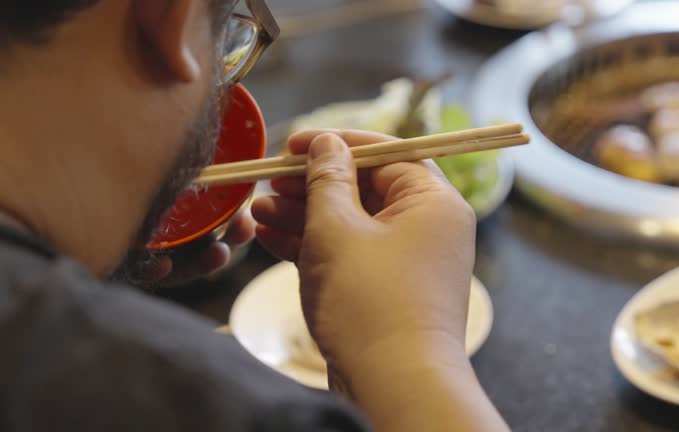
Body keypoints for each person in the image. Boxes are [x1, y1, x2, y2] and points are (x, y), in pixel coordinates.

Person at [0, 1, 510, 431]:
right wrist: (407, 351)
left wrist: (73, 275)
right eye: (229, 35)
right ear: (170, 16)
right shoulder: (218, 406)